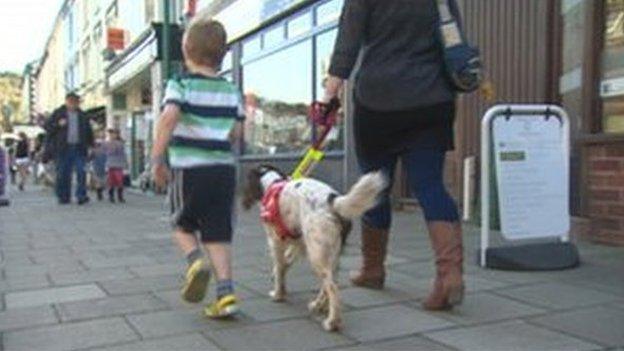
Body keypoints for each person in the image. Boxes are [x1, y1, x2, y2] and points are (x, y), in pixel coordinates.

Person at [323, 0, 465, 311]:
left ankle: (373, 269)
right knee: (430, 185)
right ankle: (449, 274)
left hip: (379, 102)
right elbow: (454, 35)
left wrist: (329, 93)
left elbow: (347, 42)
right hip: (432, 98)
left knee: (375, 185)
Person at [151, 17, 244, 318]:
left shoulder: (180, 83)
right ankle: (226, 294)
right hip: (224, 171)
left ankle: (195, 261)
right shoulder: (231, 89)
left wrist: (156, 159)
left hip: (190, 169)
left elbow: (168, 119)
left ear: (186, 50)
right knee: (218, 232)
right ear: (222, 54)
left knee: (181, 223)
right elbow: (237, 132)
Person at [45, 92, 94, 205]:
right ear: (66, 101)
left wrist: (91, 145)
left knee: (81, 171)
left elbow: (88, 131)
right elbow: (48, 127)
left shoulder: (82, 115)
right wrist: (58, 124)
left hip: (79, 148)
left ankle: (81, 196)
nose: (73, 104)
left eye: (76, 102)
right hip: (63, 149)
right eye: (71, 101)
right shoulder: (58, 113)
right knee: (63, 173)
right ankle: (63, 196)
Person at [104, 128, 127, 203]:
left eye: (112, 134)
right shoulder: (107, 143)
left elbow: (116, 152)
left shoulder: (119, 143)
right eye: (109, 134)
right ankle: (112, 196)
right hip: (110, 164)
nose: (111, 136)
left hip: (118, 164)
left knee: (119, 180)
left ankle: (119, 196)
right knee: (111, 181)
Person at [91, 132, 107, 201]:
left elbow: (89, 158)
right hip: (100, 167)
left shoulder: (94, 150)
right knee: (100, 181)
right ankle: (99, 194)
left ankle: (99, 194)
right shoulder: (104, 150)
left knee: (100, 181)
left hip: (99, 167)